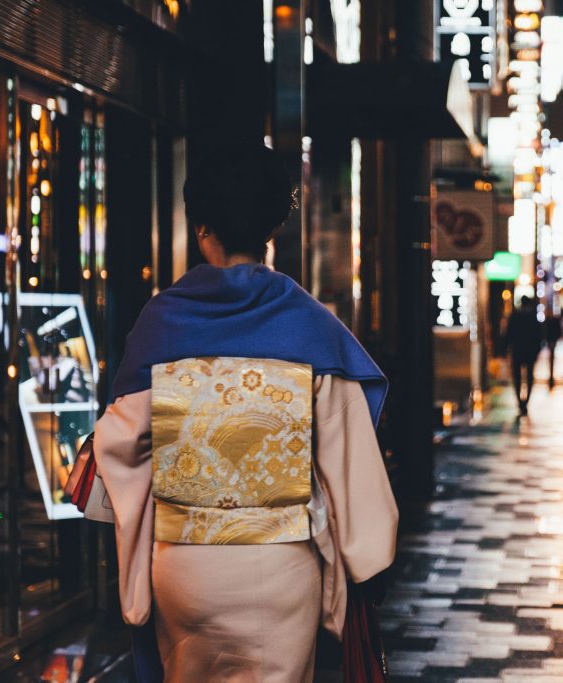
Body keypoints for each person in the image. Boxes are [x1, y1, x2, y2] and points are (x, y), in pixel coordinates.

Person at [94, 145, 398, 682]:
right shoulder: (306, 322)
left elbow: (120, 442)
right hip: (282, 564)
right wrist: (366, 557)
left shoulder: (163, 320)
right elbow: (347, 450)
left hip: (186, 563)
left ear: (201, 225)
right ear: (269, 229)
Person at [505, 296, 542, 415]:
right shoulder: (533, 317)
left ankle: (520, 402)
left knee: (517, 377)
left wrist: (506, 350)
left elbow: (508, 334)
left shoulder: (514, 316)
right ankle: (526, 402)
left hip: (517, 350)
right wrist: (537, 351)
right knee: (529, 377)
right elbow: (539, 336)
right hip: (530, 351)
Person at [544, 311, 562, 389]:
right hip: (553, 341)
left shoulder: (548, 321)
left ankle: (551, 375)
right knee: (551, 357)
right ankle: (551, 375)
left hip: (551, 340)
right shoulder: (554, 320)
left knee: (551, 357)